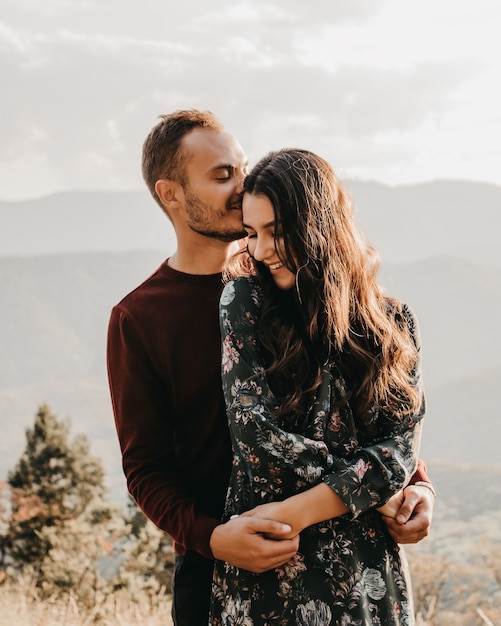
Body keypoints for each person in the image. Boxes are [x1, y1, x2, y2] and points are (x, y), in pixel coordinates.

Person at [106, 110, 435, 626]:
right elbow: (145, 469)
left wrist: (413, 484)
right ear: (170, 194)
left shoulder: (290, 282)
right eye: (221, 176)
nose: (241, 186)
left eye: (240, 167)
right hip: (221, 568)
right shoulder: (140, 318)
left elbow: (359, 400)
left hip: (346, 559)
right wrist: (214, 538)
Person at [210, 148, 427, 625]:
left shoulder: (391, 322)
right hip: (273, 566)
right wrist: (368, 488)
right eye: (251, 233)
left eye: (277, 232)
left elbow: (401, 450)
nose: (261, 250)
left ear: (320, 226)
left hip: (370, 578)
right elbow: (258, 441)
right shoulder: (244, 301)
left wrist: (302, 507)